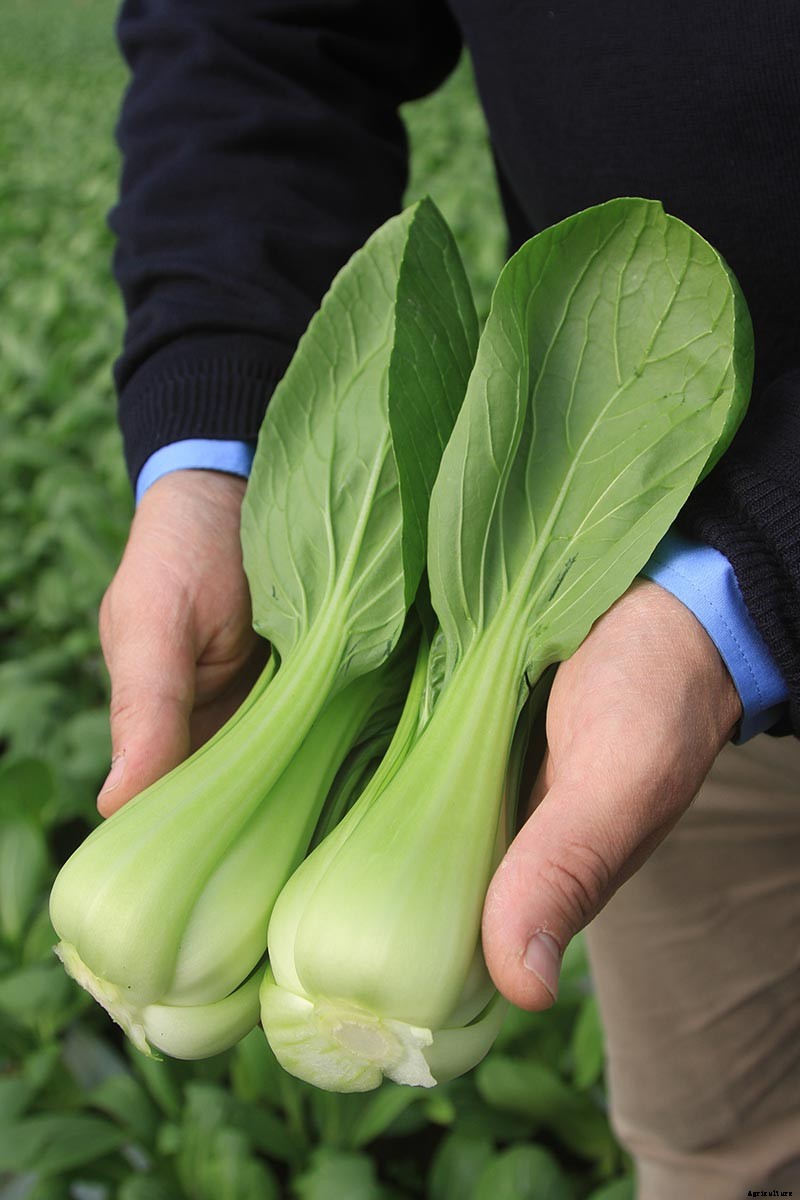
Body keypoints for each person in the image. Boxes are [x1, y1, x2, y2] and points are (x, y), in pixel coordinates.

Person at [98, 3, 800, 1192]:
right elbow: (255, 30)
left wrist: (755, 571)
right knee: (725, 1146)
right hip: (629, 650)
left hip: (673, 606)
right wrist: (214, 451)